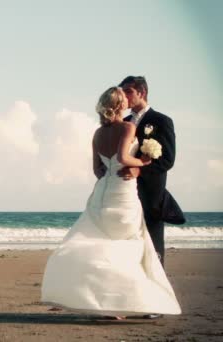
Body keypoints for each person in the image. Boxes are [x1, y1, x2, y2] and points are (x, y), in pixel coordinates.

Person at [41, 86, 181, 318]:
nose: (127, 101)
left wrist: (110, 173)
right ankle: (127, 302)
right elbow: (124, 158)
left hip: (103, 193)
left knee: (103, 244)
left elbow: (97, 169)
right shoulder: (128, 127)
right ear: (118, 105)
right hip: (123, 192)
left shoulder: (97, 133)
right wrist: (143, 162)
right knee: (128, 245)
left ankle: (106, 305)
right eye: (124, 99)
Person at [117, 76, 185, 267]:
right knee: (128, 245)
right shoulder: (124, 122)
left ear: (142, 92)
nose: (125, 96)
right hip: (126, 192)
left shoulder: (161, 121)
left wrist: (139, 171)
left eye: (128, 91)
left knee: (153, 248)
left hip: (151, 194)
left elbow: (167, 160)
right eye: (122, 92)